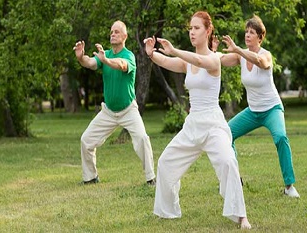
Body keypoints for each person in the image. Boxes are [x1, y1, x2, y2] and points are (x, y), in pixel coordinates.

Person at [144, 11, 251, 229]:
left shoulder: (213, 60)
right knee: (165, 163)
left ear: (208, 30)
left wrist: (175, 50)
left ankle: (241, 216)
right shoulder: (187, 63)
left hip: (213, 125)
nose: (192, 32)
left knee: (228, 162)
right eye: (190, 28)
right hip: (193, 124)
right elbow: (167, 61)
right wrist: (152, 54)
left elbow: (199, 59)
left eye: (197, 28)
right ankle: (168, 211)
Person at [212, 15, 300, 198]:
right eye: (246, 32)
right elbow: (219, 60)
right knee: (226, 134)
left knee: (281, 137)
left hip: (271, 109)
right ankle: (235, 179)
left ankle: (289, 186)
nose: (247, 35)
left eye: (251, 32)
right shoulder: (240, 56)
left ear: (260, 37)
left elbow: (262, 63)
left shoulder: (265, 54)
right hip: (253, 111)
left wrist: (238, 50)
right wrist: (212, 51)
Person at [73, 20, 156, 186]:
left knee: (142, 139)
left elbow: (122, 65)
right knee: (86, 140)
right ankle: (90, 177)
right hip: (108, 112)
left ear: (125, 36)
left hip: (128, 110)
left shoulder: (128, 55)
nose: (113, 34)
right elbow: (89, 63)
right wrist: (81, 57)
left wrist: (106, 61)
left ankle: (150, 178)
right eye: (111, 32)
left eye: (117, 32)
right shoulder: (106, 54)